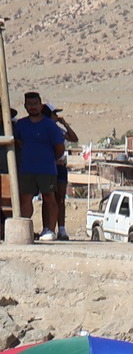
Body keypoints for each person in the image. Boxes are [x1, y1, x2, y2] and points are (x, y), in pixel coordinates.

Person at [14, 93, 75, 242]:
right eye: (29, 104)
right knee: (25, 198)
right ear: (25, 106)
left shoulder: (50, 125)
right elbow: (18, 144)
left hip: (47, 169)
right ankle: (25, 228)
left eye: (35, 104)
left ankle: (50, 230)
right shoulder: (20, 125)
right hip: (26, 168)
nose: (33, 107)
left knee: (49, 198)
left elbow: (59, 148)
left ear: (41, 106)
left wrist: (49, 159)